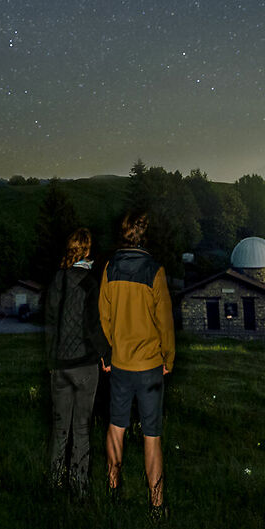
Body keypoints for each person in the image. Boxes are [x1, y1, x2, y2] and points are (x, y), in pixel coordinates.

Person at [97, 211, 175, 512]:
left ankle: (113, 489)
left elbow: (104, 317)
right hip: (150, 367)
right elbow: (165, 323)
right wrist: (168, 357)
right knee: (151, 435)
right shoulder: (155, 270)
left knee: (116, 426)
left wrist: (114, 348)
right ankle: (156, 505)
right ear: (145, 235)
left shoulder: (108, 268)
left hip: (120, 364)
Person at [41, 227, 110, 496]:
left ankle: (54, 483)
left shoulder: (57, 280)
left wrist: (51, 360)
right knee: (81, 429)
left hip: (58, 366)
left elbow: (50, 323)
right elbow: (93, 327)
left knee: (60, 430)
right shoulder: (89, 282)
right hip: (83, 365)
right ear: (88, 250)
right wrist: (106, 355)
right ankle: (79, 488)